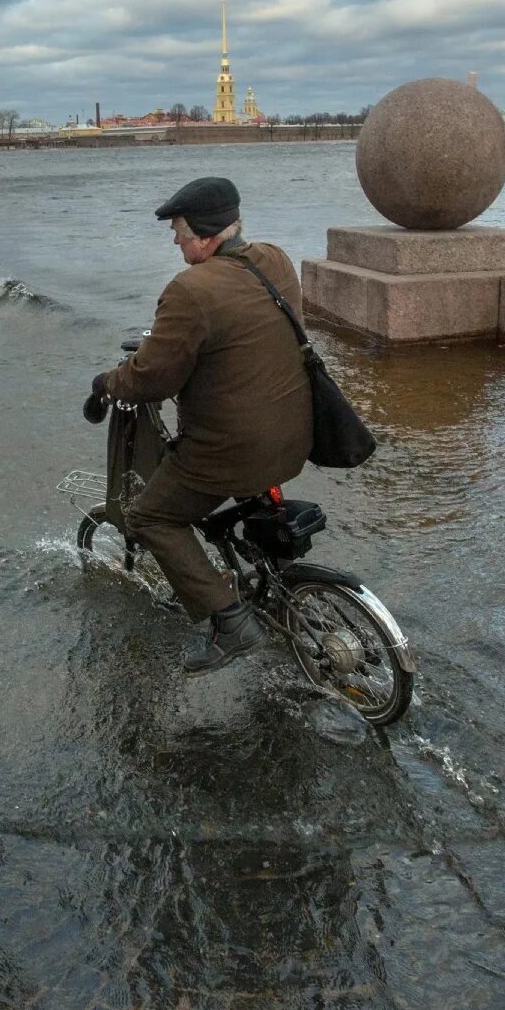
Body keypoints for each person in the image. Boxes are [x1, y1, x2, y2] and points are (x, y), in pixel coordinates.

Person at [92, 176, 312, 672]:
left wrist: (106, 383)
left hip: (232, 450)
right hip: (295, 436)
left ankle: (231, 622)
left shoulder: (190, 290)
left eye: (179, 230)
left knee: (152, 516)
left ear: (206, 233)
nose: (174, 240)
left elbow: (149, 378)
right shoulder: (275, 259)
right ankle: (272, 583)